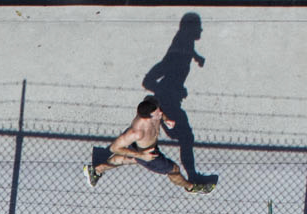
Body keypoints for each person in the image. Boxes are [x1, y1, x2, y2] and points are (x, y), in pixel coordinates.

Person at [90, 12, 220, 193]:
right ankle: (192, 187)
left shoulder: (152, 105)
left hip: (145, 146)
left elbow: (157, 109)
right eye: (159, 113)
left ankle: (95, 169)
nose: (161, 112)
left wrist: (166, 119)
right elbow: (115, 147)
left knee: (128, 160)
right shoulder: (135, 131)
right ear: (149, 116)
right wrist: (141, 154)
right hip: (148, 154)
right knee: (172, 169)